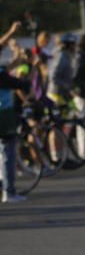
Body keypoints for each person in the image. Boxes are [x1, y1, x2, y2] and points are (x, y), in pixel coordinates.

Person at [0, 65, 31, 203]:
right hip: (4, 116)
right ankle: (9, 191)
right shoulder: (2, 76)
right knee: (8, 152)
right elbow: (22, 84)